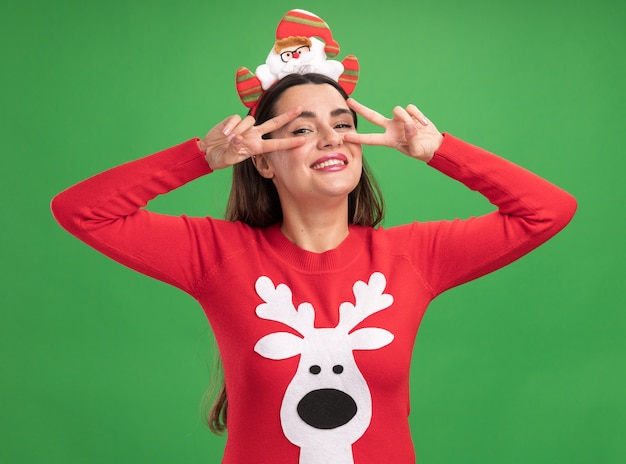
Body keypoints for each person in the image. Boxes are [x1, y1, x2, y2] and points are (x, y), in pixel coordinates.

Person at [50, 12, 577, 464]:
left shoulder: (411, 258)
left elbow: (548, 211)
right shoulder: (217, 256)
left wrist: (439, 150)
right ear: (263, 159)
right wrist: (202, 157)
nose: (329, 138)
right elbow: (82, 212)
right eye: (301, 129)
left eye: (341, 123)